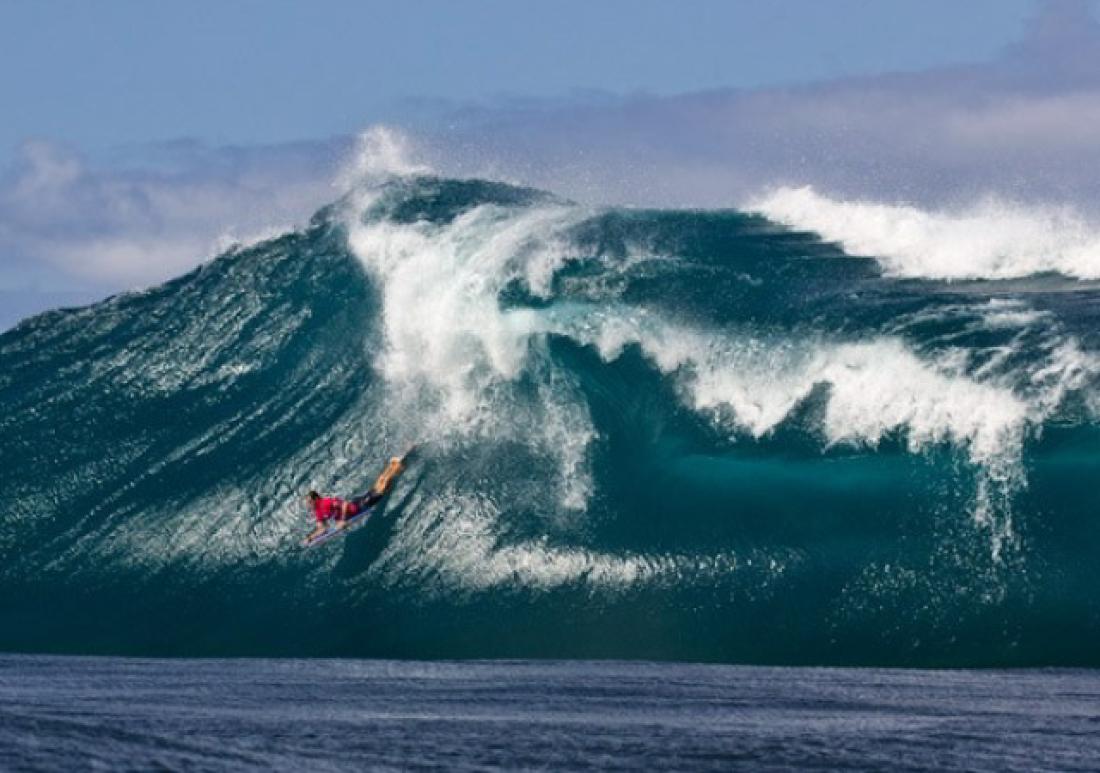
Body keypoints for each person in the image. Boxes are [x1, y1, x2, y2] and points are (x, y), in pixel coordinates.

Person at [305, 453, 407, 542]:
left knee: (382, 488)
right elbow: (323, 528)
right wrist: (310, 537)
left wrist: (343, 520)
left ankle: (397, 465)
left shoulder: (325, 502)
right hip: (357, 504)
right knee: (378, 487)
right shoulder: (318, 512)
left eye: (309, 502)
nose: (308, 504)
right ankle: (393, 464)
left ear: (316, 499)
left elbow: (343, 504)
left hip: (360, 506)